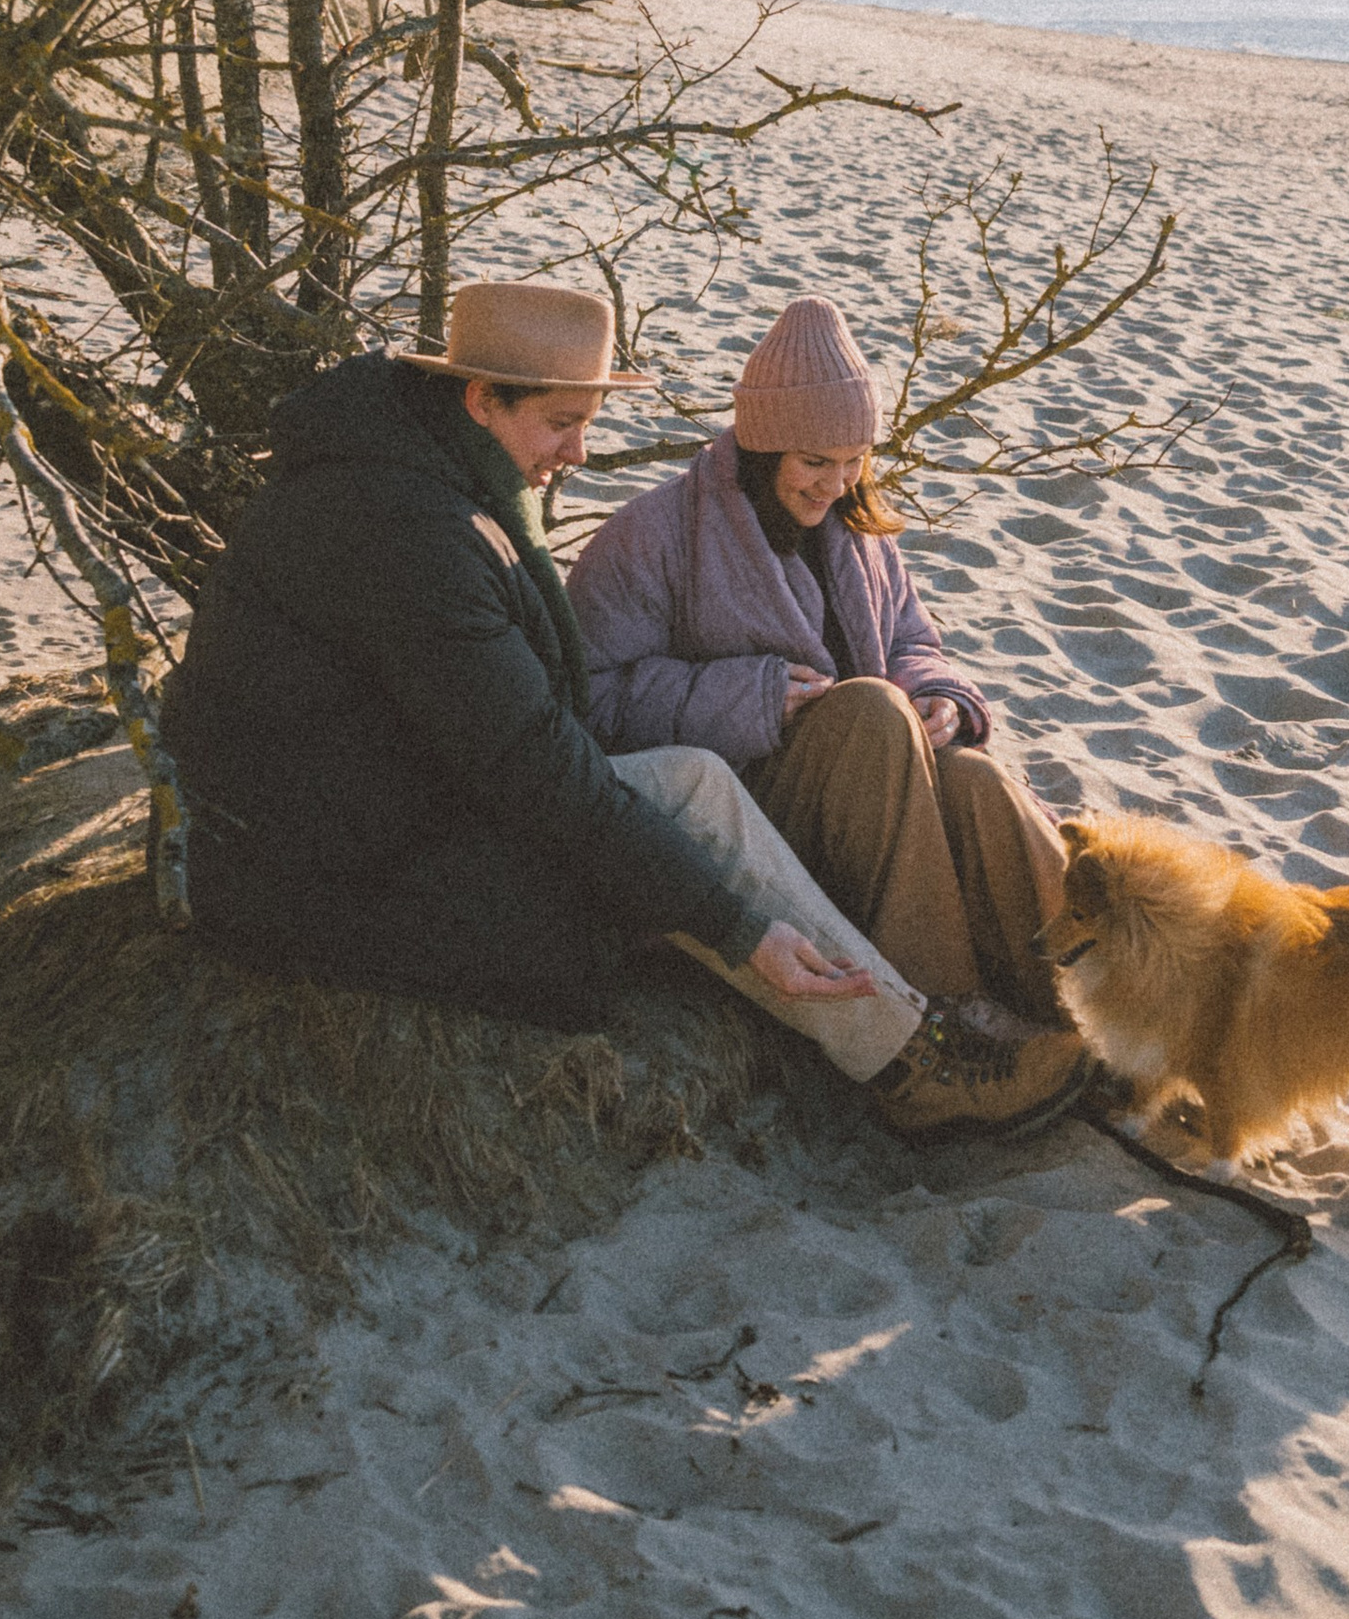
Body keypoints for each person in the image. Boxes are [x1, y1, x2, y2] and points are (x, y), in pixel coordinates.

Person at [158, 277, 1085, 1142]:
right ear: (483, 401)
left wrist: (946, 698)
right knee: (701, 791)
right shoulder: (416, 537)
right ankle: (912, 1053)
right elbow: (548, 758)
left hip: (380, 809)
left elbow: (515, 736)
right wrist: (741, 927)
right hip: (337, 871)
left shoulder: (421, 488)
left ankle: (1081, 996)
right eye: (563, 423)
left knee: (950, 771)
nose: (581, 451)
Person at [567, 295, 1074, 1037]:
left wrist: (939, 696)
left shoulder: (858, 528)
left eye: (853, 461)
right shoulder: (652, 536)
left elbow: (911, 640)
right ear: (765, 445)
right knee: (871, 714)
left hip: (878, 791)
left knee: (975, 776)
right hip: (752, 816)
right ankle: (940, 1014)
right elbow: (589, 698)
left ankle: (1083, 1000)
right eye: (814, 462)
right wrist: (749, 695)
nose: (835, 484)